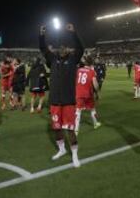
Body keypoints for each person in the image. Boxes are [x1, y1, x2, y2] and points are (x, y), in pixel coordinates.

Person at [39, 23, 84, 168]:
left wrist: (73, 33)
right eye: (61, 47)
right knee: (57, 128)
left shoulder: (73, 60)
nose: (63, 49)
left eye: (66, 47)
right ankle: (62, 150)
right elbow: (43, 49)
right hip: (55, 102)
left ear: (69, 50)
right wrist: (42, 35)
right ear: (59, 50)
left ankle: (75, 155)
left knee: (70, 130)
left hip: (68, 102)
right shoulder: (52, 60)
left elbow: (81, 49)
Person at [75, 56, 101, 135]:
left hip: (78, 93)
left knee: (78, 111)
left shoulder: (78, 70)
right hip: (88, 94)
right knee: (92, 109)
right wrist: (97, 91)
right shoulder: (91, 71)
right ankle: (95, 123)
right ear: (91, 63)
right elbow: (95, 84)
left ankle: (76, 129)